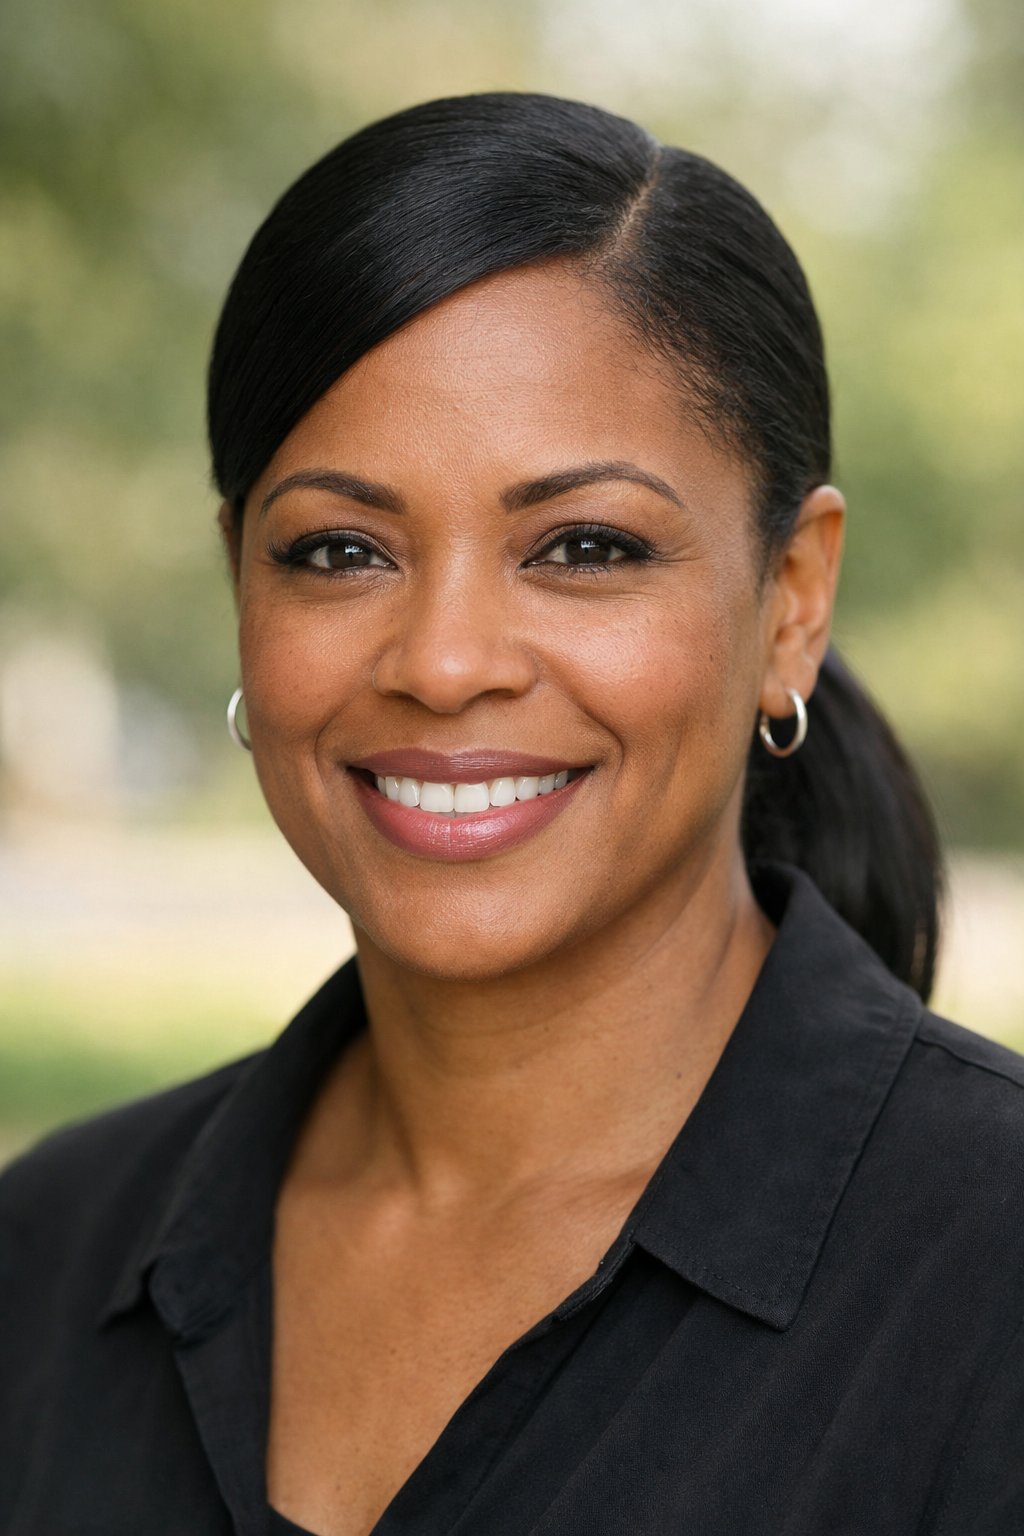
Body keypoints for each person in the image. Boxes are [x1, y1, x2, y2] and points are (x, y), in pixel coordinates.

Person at [1, 90, 1022, 1536]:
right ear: (241, 582)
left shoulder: (991, 1281)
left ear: (791, 599)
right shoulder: (50, 1251)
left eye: (585, 546)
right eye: (341, 550)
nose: (443, 662)